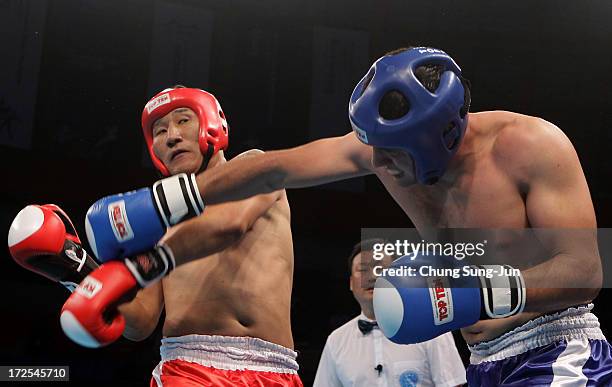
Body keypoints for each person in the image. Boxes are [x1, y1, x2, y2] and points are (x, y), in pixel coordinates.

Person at [103, 47, 607, 385]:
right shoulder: (379, 147)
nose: (379, 165)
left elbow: (586, 270)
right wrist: (164, 203)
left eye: (394, 155)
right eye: (375, 150)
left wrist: (476, 293)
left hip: (558, 350)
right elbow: (270, 169)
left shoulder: (531, 145)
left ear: (446, 133)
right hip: (483, 362)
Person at [10, 86, 303, 386]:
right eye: (159, 131)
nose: (172, 135)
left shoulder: (254, 165)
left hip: (275, 371)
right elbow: (140, 322)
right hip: (190, 371)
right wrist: (76, 269)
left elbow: (232, 222)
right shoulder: (152, 219)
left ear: (214, 123)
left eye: (184, 121)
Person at [314, 239, 466, 387]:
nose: (372, 277)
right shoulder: (336, 341)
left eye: (379, 269)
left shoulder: (430, 328)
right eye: (362, 270)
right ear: (351, 283)